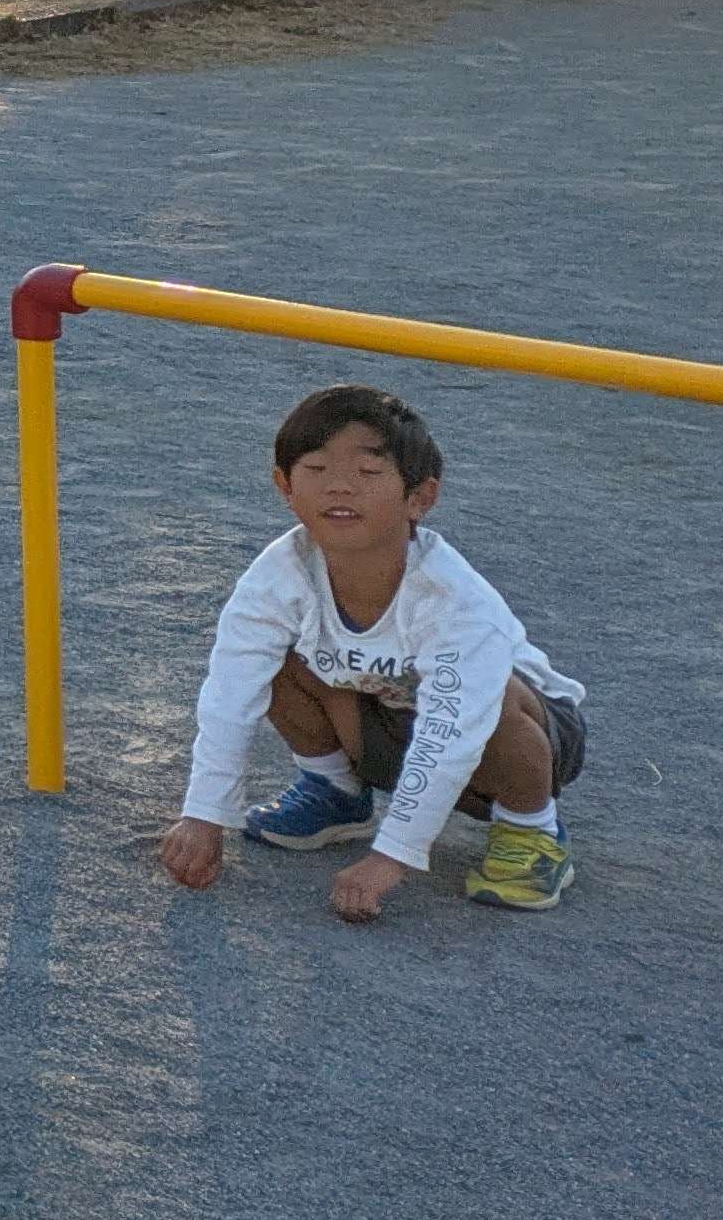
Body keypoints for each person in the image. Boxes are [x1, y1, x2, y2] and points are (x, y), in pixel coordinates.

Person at [159, 381, 586, 918]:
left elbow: (451, 731)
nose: (340, 488)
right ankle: (335, 792)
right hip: (387, 721)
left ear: (419, 498)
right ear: (284, 485)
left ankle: (531, 829)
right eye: (316, 470)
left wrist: (393, 855)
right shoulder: (277, 575)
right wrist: (204, 814)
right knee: (270, 664)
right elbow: (230, 693)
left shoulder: (452, 598)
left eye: (367, 473)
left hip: (519, 739)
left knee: (491, 694)